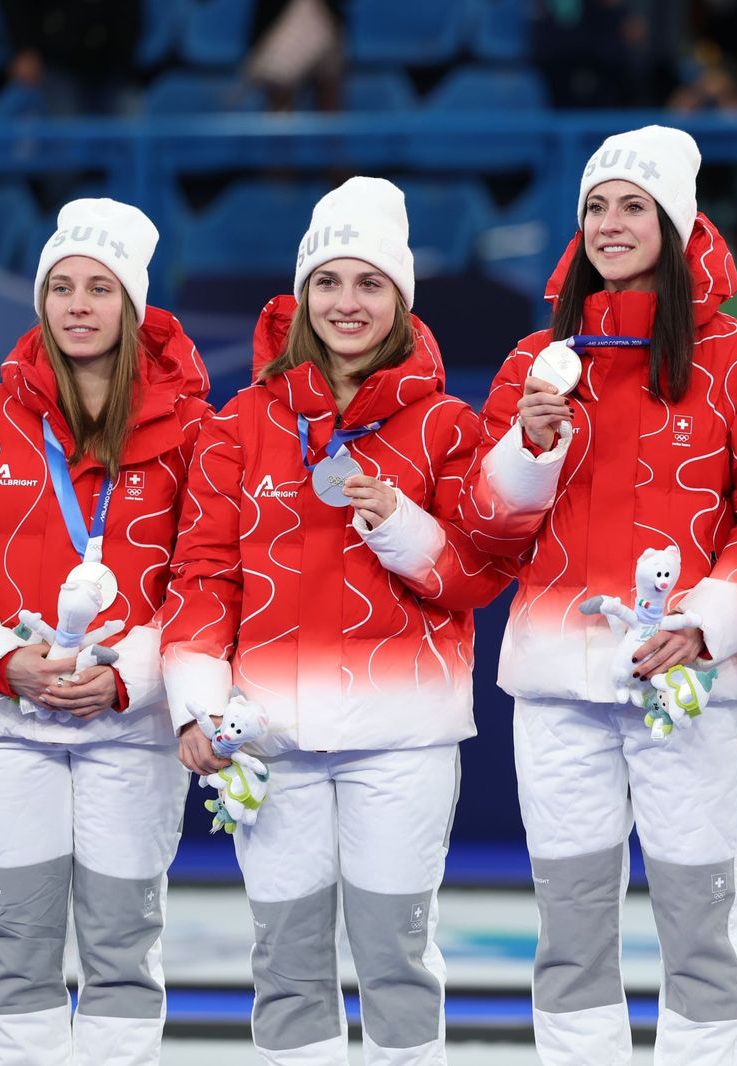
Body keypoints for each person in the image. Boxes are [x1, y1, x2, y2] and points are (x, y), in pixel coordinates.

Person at [160, 177, 507, 1066]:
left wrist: (398, 520)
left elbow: (475, 576)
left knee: (396, 961)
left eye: (369, 284)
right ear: (301, 296)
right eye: (328, 282)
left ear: (400, 301)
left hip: (402, 738)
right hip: (268, 734)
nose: (347, 304)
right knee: (287, 963)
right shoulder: (239, 425)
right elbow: (203, 575)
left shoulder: (445, 427)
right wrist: (198, 703)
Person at [459, 125, 737, 1066]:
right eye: (595, 206)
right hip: (559, 686)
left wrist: (708, 626)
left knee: (700, 921)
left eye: (633, 206)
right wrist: (527, 452)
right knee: (571, 925)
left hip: (687, 683)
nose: (609, 223)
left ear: (675, 226)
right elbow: (487, 531)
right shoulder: (534, 362)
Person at [0, 198, 209, 1066]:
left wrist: (128, 678)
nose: (79, 304)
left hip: (130, 723)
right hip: (4, 724)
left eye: (101, 288)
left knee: (122, 942)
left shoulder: (194, 431)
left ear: (135, 306)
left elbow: (205, 583)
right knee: (19, 936)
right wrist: (6, 664)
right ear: (41, 301)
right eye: (63, 287)